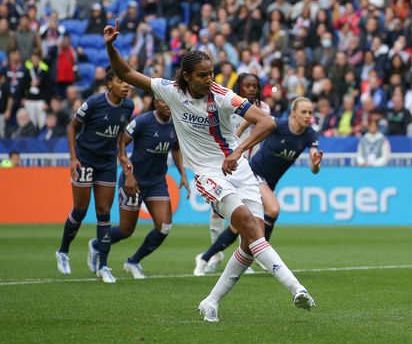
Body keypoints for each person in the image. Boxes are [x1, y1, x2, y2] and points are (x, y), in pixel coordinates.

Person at [102, 20, 315, 321]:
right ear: (186, 75)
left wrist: (239, 151)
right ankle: (297, 289)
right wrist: (110, 46)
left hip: (238, 169)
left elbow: (266, 122)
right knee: (249, 225)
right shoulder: (170, 91)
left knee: (250, 243)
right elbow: (125, 73)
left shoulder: (223, 95)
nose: (208, 79)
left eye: (211, 73)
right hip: (207, 174)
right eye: (202, 75)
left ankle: (210, 302)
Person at [195, 96, 322, 276]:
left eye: (310, 112)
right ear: (293, 113)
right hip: (254, 174)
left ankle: (205, 257)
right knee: (273, 209)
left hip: (270, 182)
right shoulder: (279, 124)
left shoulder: (310, 134)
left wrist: (316, 164)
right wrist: (236, 141)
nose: (308, 116)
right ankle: (261, 254)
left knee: (240, 227)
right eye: (304, 112)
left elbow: (314, 167)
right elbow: (250, 120)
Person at [90, 96, 190, 279]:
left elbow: (175, 148)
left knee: (165, 226)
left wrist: (183, 174)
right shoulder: (143, 121)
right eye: (163, 102)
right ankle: (97, 244)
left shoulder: (176, 123)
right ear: (155, 103)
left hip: (157, 182)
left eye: (170, 102)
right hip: (133, 181)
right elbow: (120, 144)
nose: (168, 105)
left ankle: (133, 261)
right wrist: (128, 174)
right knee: (126, 230)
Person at [55, 67, 134, 283]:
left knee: (104, 211)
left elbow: (120, 132)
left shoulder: (129, 106)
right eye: (121, 81)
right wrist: (73, 158)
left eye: (127, 81)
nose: (126, 85)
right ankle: (63, 251)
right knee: (80, 209)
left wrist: (121, 154)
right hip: (85, 159)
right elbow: (72, 127)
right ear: (109, 84)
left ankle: (104, 266)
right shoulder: (94, 103)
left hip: (107, 163)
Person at [205, 72, 270, 272]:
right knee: (218, 213)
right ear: (239, 88)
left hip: (250, 169)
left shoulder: (263, 108)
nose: (251, 89)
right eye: (247, 86)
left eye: (254, 86)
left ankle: (246, 254)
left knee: (249, 214)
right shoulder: (228, 105)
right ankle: (214, 256)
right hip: (225, 165)